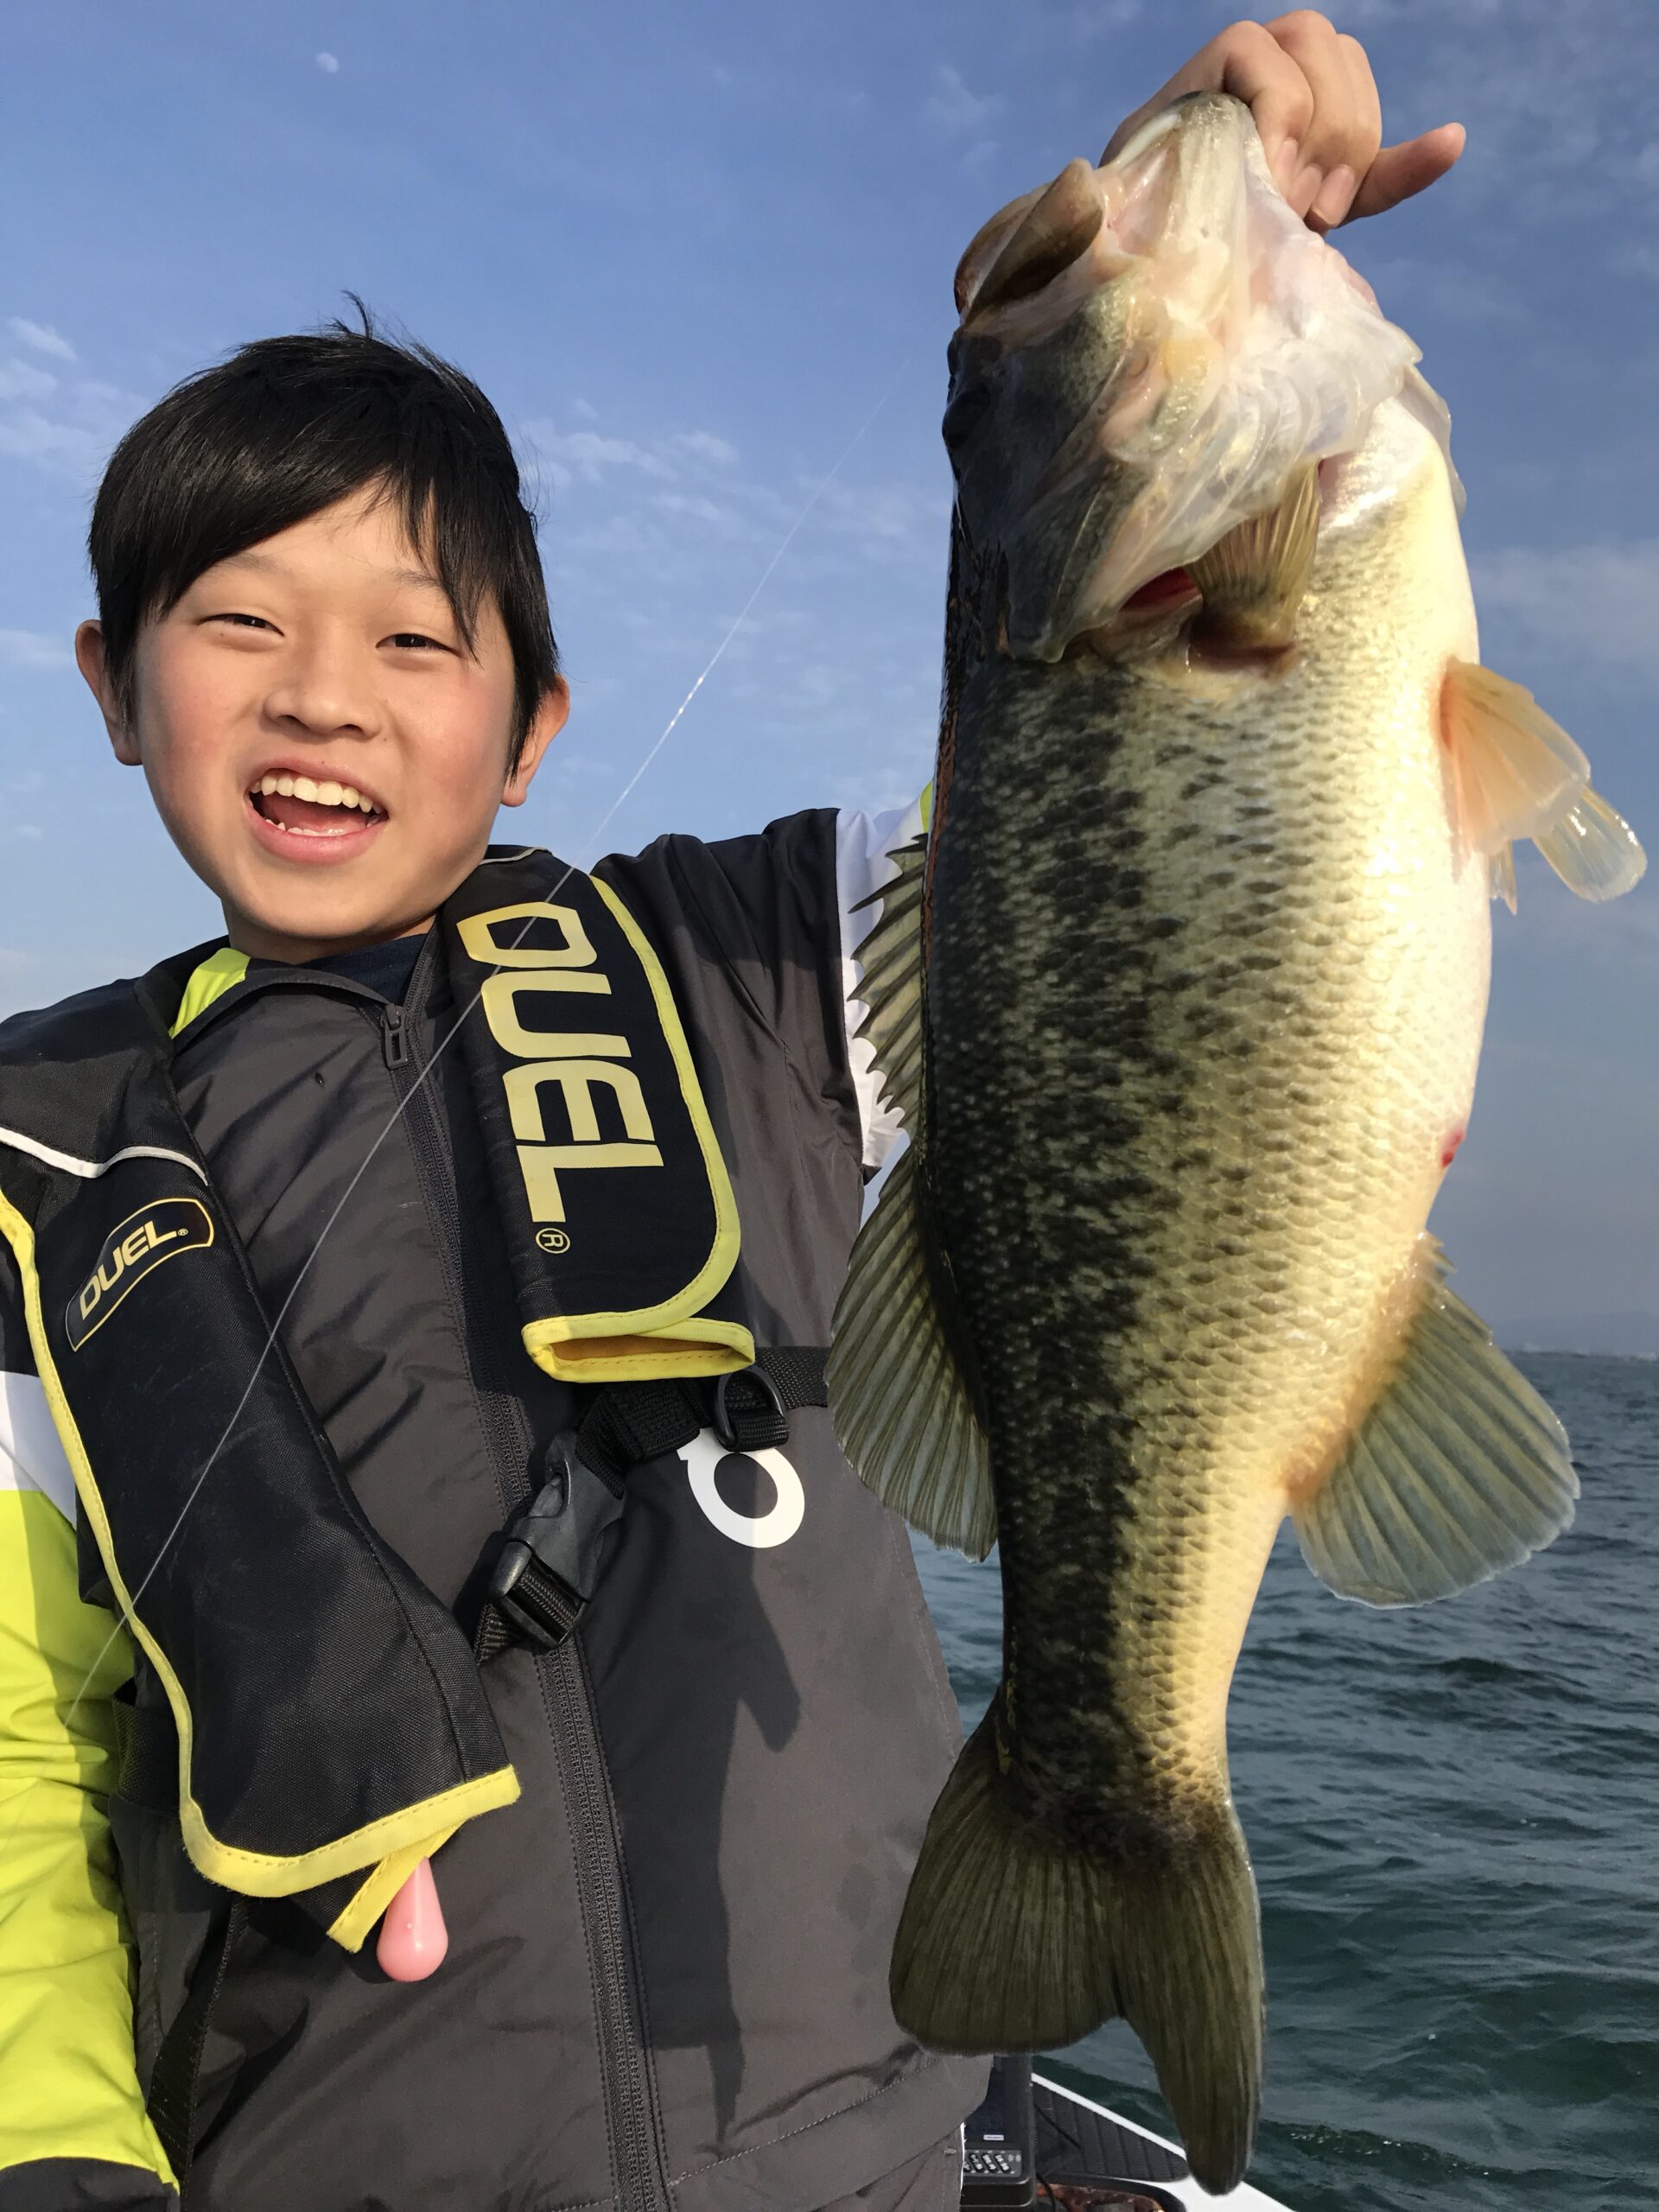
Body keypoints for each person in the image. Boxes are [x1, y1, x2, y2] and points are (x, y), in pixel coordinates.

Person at [0, 18, 1461, 2212]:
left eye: (414, 641)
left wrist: (1158, 257)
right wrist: (58, 2151)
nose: (322, 696)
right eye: (236, 623)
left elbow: (1090, 790)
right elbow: (19, 1746)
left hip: (857, 2148)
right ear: (113, 684)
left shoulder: (744, 965)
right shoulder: (44, 1162)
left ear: (535, 722)